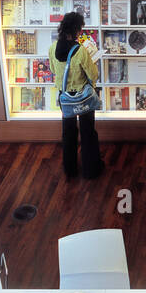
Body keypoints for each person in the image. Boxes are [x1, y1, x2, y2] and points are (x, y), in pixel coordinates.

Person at [49, 12, 104, 180]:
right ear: (77, 30)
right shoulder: (80, 51)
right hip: (83, 96)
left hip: (64, 97)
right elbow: (93, 75)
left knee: (68, 132)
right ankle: (91, 170)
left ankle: (70, 169)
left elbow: (52, 70)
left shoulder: (52, 48)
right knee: (88, 133)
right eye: (80, 29)